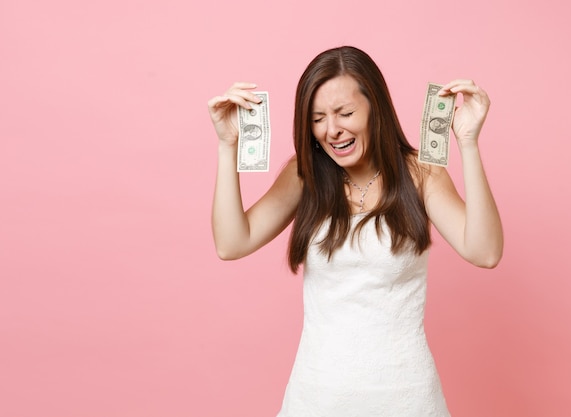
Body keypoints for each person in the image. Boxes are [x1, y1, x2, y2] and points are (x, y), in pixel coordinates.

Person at [208, 46, 503, 417]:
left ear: (375, 107)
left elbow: (485, 251)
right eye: (317, 119)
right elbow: (232, 243)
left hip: (406, 396)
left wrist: (469, 144)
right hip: (316, 396)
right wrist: (226, 146)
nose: (332, 130)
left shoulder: (420, 175)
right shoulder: (305, 176)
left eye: (345, 113)